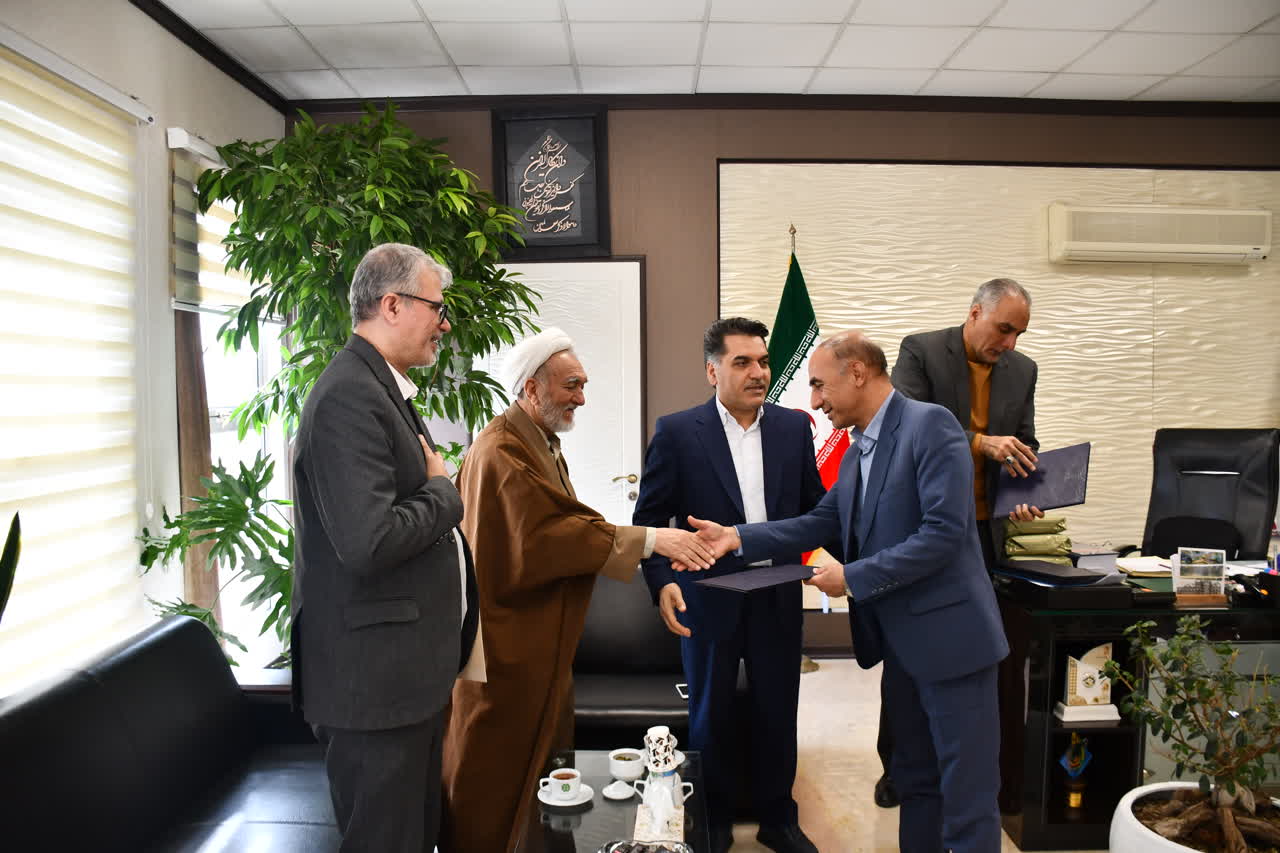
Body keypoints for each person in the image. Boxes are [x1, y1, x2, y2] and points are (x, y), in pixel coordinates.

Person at [685, 331, 1009, 853]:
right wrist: (737, 537)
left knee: (967, 795)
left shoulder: (930, 426)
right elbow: (819, 522)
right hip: (901, 649)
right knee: (915, 779)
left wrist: (852, 578)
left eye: (819, 385)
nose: (814, 401)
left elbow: (943, 535)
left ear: (857, 373)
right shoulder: (859, 452)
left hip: (953, 644)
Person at [440, 328, 715, 853]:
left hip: (538, 644)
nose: (581, 399)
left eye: (583, 385)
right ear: (531, 388)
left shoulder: (539, 442)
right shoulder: (501, 450)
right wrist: (653, 540)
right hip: (504, 647)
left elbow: (566, 523)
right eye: (571, 385)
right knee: (492, 774)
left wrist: (642, 542)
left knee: (546, 774)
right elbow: (547, 536)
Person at [291, 242, 482, 853]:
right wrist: (444, 494)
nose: (444, 324)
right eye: (437, 308)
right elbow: (368, 541)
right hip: (373, 690)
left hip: (401, 681)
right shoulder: (349, 396)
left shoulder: (379, 387)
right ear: (393, 305)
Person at [632, 318, 826, 853]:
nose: (758, 372)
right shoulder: (678, 432)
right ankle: (712, 821)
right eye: (742, 362)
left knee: (777, 710)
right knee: (710, 714)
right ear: (712, 371)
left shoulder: (793, 428)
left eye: (763, 361)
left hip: (777, 590)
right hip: (707, 596)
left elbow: (816, 509)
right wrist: (660, 582)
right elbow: (650, 520)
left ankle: (778, 818)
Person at [889, 277, 1042, 811]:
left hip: (985, 532)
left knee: (983, 655)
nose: (1010, 343)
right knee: (910, 653)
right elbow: (904, 424)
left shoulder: (1023, 370)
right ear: (975, 312)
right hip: (925, 528)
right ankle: (899, 768)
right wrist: (981, 442)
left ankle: (982, 771)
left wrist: (1025, 487)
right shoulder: (922, 350)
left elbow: (1025, 440)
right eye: (1004, 329)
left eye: (1019, 334)